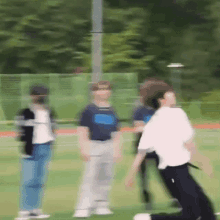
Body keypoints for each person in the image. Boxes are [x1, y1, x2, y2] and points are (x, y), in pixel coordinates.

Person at [125, 79, 216, 220]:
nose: (174, 94)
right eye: (170, 93)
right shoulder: (171, 115)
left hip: (179, 171)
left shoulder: (163, 119)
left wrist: (130, 175)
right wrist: (203, 162)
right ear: (161, 99)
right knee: (191, 215)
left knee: (207, 211)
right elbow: (143, 150)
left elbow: (142, 152)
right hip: (173, 173)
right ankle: (149, 219)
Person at [73, 80, 122, 218]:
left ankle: (102, 205)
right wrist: (84, 148)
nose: (103, 91)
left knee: (106, 177)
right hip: (94, 145)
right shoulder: (89, 109)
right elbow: (82, 130)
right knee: (90, 177)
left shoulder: (112, 109)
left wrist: (117, 149)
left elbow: (116, 131)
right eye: (99, 89)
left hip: (109, 145)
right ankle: (83, 207)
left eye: (106, 89)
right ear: (94, 92)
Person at [132, 79, 181, 210]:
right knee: (143, 175)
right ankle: (147, 199)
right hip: (143, 146)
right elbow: (138, 128)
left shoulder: (163, 108)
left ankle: (175, 198)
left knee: (166, 174)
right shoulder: (139, 110)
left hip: (161, 147)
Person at [15, 84, 57, 220]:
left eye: (43, 94)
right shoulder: (24, 112)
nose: (41, 97)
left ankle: (35, 209)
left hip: (45, 148)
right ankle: (24, 211)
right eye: (38, 94)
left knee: (40, 181)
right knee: (28, 180)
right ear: (32, 96)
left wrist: (51, 144)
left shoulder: (50, 112)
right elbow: (19, 131)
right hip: (30, 149)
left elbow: (54, 129)